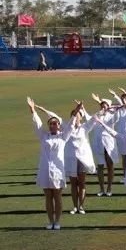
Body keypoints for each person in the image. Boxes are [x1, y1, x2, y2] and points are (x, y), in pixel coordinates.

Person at [28, 98, 79, 230]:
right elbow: (37, 124)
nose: (52, 125)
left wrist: (75, 113)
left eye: (55, 123)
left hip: (57, 171)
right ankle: (50, 221)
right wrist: (33, 109)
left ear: (59, 125)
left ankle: (57, 221)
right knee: (48, 197)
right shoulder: (44, 136)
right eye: (50, 124)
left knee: (57, 197)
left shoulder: (63, 136)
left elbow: (70, 127)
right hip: (45, 170)